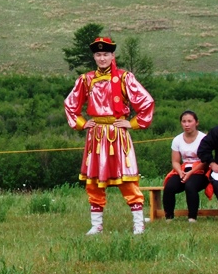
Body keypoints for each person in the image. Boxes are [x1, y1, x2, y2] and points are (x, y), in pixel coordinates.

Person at [64, 36, 155, 235]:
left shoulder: (124, 78)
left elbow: (146, 102)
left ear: (112, 55)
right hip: (96, 136)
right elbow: (70, 104)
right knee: (94, 181)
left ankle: (138, 225)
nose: (102, 58)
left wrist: (132, 123)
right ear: (94, 57)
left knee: (127, 179)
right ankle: (96, 225)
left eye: (106, 54)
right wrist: (82, 123)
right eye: (98, 54)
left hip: (117, 134)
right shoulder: (86, 79)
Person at [162, 110, 207, 222]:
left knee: (190, 186)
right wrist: (180, 172)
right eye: (184, 121)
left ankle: (192, 217)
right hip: (183, 169)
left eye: (190, 121)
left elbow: (205, 161)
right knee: (169, 186)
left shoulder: (204, 138)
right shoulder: (177, 139)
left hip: (200, 170)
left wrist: (190, 173)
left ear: (196, 123)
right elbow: (175, 161)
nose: (186, 124)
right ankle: (169, 216)